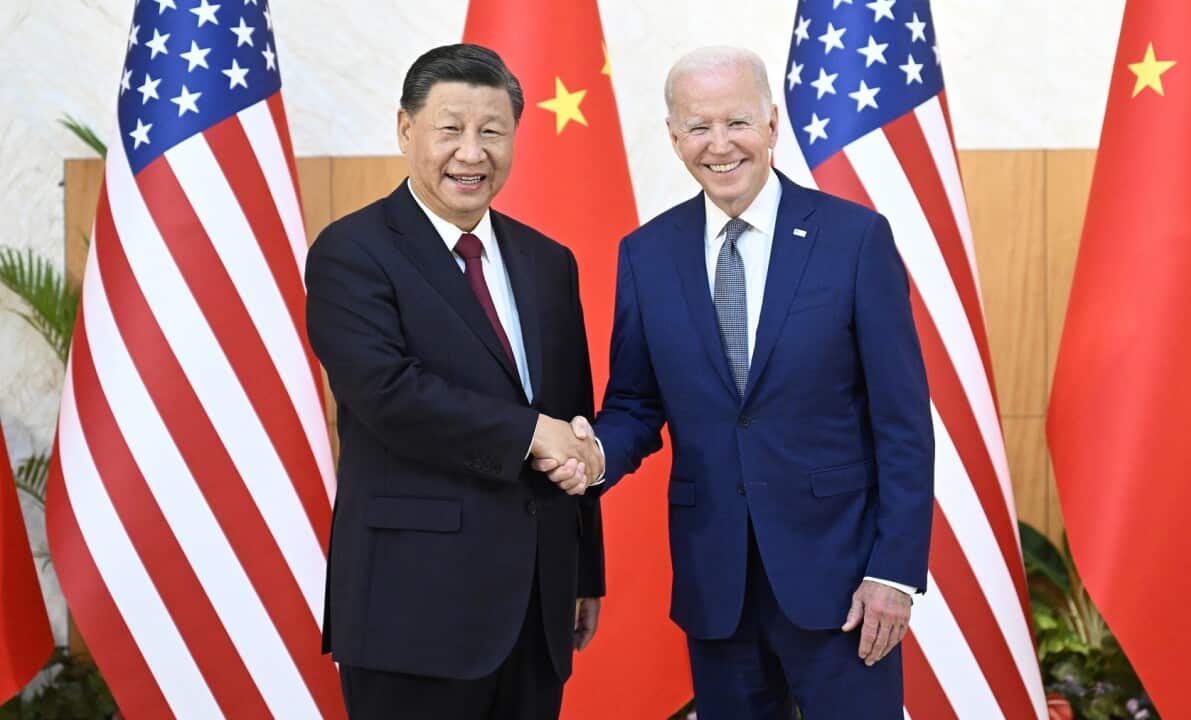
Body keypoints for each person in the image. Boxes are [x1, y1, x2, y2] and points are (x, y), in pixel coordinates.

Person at [540, 46, 934, 719]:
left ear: (772, 123)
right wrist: (597, 454)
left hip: (843, 583)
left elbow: (902, 424)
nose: (719, 145)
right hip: (716, 585)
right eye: (698, 127)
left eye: (737, 122)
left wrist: (893, 572)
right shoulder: (647, 254)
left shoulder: (855, 239)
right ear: (674, 137)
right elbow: (636, 402)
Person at [305, 43, 606, 720]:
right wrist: (530, 434)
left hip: (537, 604)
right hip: (412, 611)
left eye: (491, 131)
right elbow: (388, 395)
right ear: (406, 129)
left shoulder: (549, 262)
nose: (471, 153)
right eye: (450, 129)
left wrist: (583, 570)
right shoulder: (351, 252)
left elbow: (572, 419)